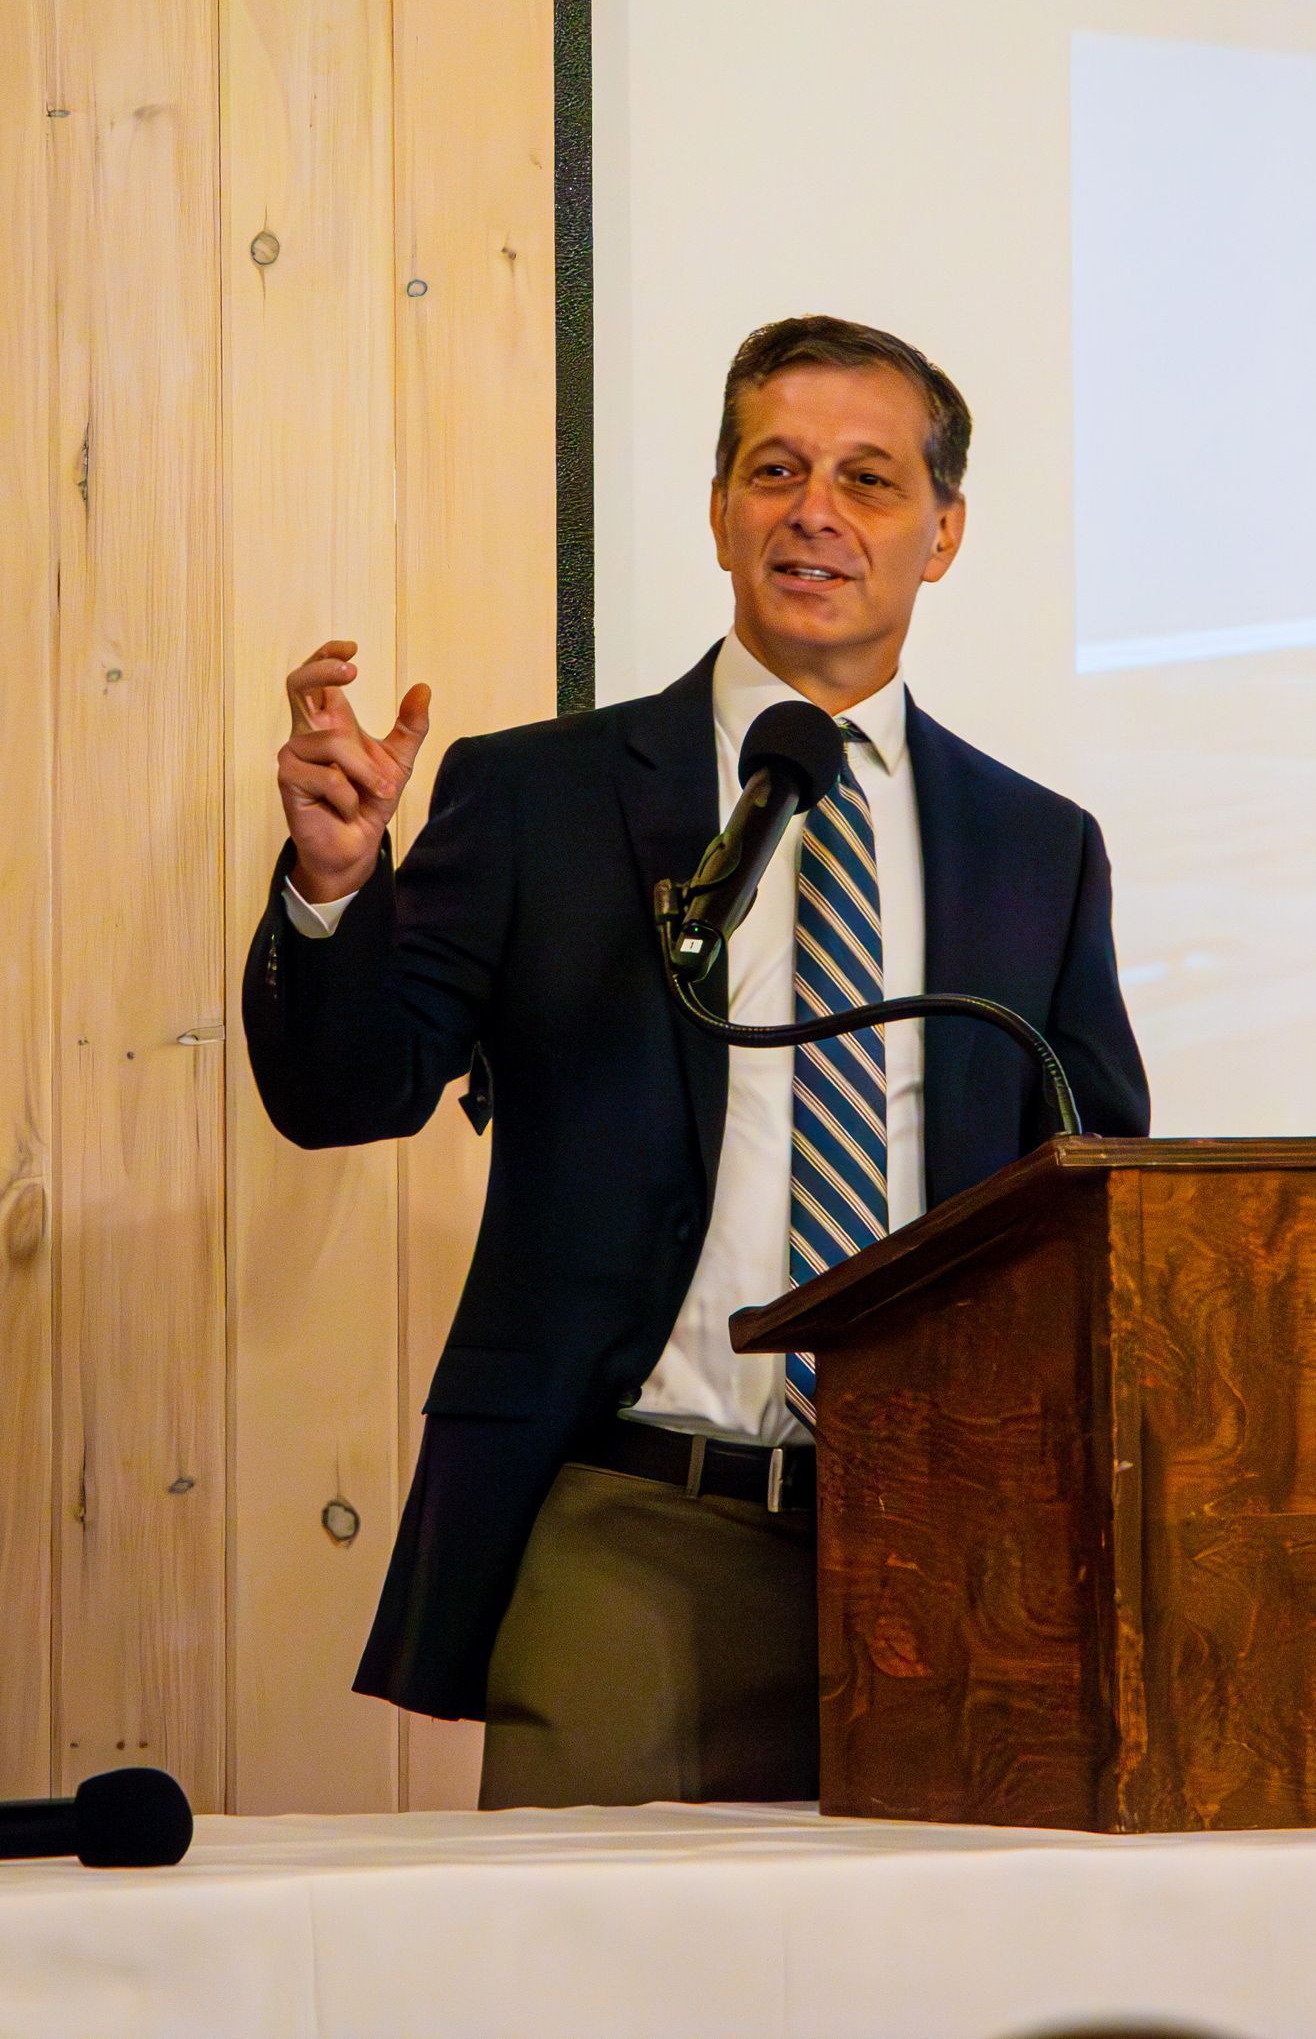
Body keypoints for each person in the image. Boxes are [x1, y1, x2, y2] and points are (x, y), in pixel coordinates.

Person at [243, 313, 1150, 1808]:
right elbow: (347, 1093)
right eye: (776, 469)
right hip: (631, 1524)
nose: (816, 510)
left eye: (868, 480)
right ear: (722, 508)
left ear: (944, 534)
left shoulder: (1037, 849)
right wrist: (339, 885)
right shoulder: (539, 796)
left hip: (946, 1548)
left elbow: (1089, 1196)